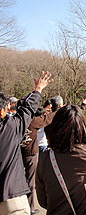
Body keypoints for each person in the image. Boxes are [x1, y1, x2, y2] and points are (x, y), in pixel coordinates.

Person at [0, 71, 52, 215]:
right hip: (12, 197)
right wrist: (38, 90)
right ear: (2, 112)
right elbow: (27, 110)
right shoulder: (9, 127)